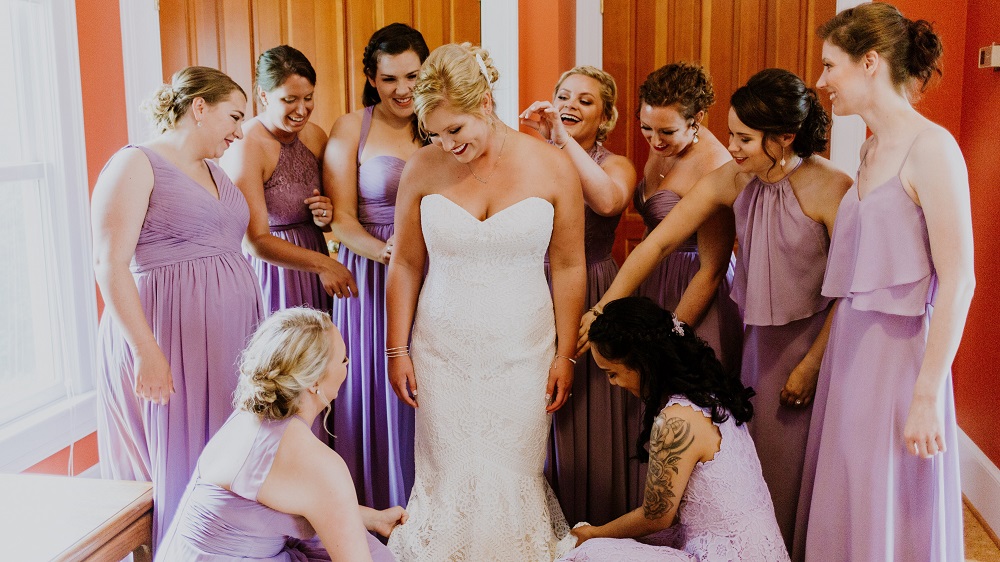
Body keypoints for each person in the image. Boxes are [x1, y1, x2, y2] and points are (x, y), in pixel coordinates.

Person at [582, 68, 852, 551]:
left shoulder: (833, 186)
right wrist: (606, 305)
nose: (733, 146)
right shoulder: (732, 178)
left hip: (815, 345)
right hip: (755, 343)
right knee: (759, 464)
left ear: (785, 137)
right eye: (731, 133)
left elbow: (849, 291)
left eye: (745, 138)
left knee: (802, 469)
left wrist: (812, 364)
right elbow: (659, 243)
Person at [385, 43, 585, 561]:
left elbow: (568, 266)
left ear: (486, 103)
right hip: (440, 348)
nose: (447, 144)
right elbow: (405, 263)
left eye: (457, 130)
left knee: (514, 469)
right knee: (446, 470)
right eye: (434, 133)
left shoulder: (553, 167)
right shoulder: (421, 169)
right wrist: (396, 348)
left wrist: (566, 354)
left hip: (523, 348)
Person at [796, 4, 974, 561]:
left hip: (900, 363)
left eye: (830, 66)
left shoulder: (934, 149)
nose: (821, 81)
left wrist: (926, 393)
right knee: (849, 485)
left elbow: (959, 279)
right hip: (852, 350)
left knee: (890, 495)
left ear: (869, 62)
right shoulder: (869, 147)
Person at [92, 66, 264, 547]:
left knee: (225, 459)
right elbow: (109, 264)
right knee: (183, 462)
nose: (238, 130)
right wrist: (147, 352)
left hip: (225, 342)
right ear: (199, 107)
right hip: (167, 337)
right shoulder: (135, 163)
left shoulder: (214, 169)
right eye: (233, 116)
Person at [156, 308, 405, 561]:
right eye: (343, 360)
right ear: (314, 382)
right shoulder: (318, 464)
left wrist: (373, 518)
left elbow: (277, 507)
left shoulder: (245, 417)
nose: (348, 365)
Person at [558, 297, 789, 561]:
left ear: (643, 362)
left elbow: (656, 517)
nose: (614, 384)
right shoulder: (711, 395)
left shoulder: (676, 420)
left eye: (612, 373)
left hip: (727, 554)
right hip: (760, 550)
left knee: (590, 554)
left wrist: (596, 533)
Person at [520, 66, 639, 526]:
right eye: (564, 96)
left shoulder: (616, 164)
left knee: (588, 401)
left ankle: (593, 521)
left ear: (605, 117)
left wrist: (560, 140)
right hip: (532, 285)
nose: (570, 105)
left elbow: (608, 202)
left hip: (593, 285)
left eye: (585, 101)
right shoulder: (529, 157)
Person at [323, 23, 429, 510]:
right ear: (372, 77)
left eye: (412, 75)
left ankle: (432, 505)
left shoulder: (440, 122)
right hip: (370, 274)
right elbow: (341, 219)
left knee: (431, 386)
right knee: (374, 391)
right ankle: (379, 507)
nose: (403, 90)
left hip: (437, 272)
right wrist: (385, 253)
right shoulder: (352, 128)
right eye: (389, 79)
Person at [623, 63, 742, 375]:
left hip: (693, 286)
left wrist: (671, 335)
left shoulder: (716, 167)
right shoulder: (661, 145)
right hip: (652, 276)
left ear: (697, 119)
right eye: (646, 127)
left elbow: (712, 269)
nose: (655, 140)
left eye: (667, 131)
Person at [220, 45, 356, 319]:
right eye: (290, 99)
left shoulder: (316, 137)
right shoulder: (246, 146)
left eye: (308, 97)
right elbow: (255, 240)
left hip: (316, 261)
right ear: (264, 96)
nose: (302, 109)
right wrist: (323, 266)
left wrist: (325, 216)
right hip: (274, 271)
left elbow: (333, 217)